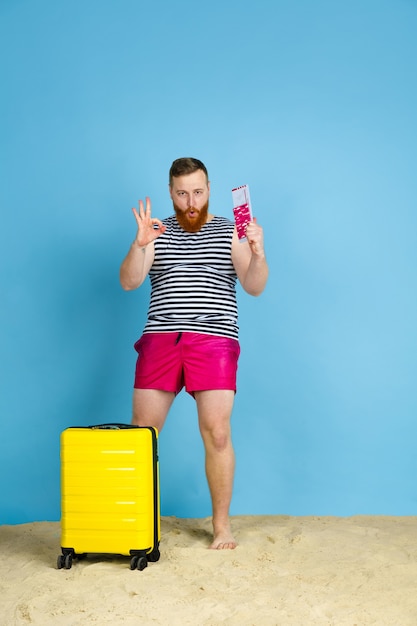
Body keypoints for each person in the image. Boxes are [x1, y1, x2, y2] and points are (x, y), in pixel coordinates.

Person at [120, 157, 268, 550]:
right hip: (160, 339)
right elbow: (129, 282)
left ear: (209, 189)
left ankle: (221, 527)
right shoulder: (155, 231)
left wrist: (258, 252)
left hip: (214, 339)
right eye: (182, 193)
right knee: (141, 436)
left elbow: (254, 286)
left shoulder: (231, 229)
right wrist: (139, 246)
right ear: (171, 192)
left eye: (198, 192)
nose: (191, 201)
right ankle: (135, 522)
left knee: (218, 433)